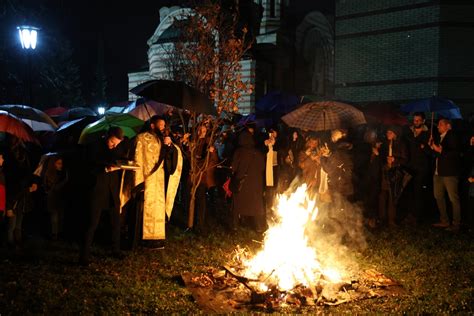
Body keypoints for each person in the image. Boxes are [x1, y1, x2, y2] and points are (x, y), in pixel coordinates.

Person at [134, 115, 183, 246]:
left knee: (158, 208)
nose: (162, 128)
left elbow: (169, 159)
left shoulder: (162, 140)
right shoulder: (141, 138)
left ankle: (157, 237)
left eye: (163, 125)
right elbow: (137, 159)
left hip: (160, 180)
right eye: (160, 125)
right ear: (152, 125)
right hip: (146, 178)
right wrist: (138, 181)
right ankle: (142, 238)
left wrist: (169, 147)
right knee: (145, 208)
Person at [79, 127, 125, 265]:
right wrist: (105, 168)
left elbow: (120, 159)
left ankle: (115, 249)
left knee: (116, 221)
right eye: (112, 142)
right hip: (97, 190)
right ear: (106, 136)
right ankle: (84, 255)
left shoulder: (117, 148)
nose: (114, 145)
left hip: (112, 190)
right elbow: (88, 168)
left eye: (116, 143)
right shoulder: (93, 147)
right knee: (92, 223)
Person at [429, 119, 461, 232]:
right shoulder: (438, 137)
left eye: (441, 124)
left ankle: (456, 223)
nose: (438, 126)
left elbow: (455, 153)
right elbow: (436, 154)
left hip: (449, 173)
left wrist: (440, 150)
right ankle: (444, 220)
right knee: (438, 196)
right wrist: (432, 146)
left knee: (453, 198)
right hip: (438, 172)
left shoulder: (453, 136)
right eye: (438, 124)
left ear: (448, 126)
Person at [231, 129, 266, 232]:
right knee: (255, 206)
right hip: (256, 185)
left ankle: (235, 226)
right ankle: (259, 227)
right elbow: (262, 167)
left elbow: (233, 167)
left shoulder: (239, 152)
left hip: (242, 183)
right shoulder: (258, 153)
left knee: (238, 205)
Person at [404, 113, 432, 225]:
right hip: (410, 166)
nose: (416, 122)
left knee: (418, 191)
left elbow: (431, 152)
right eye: (415, 120)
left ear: (423, 121)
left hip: (421, 167)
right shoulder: (409, 132)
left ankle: (418, 216)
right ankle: (410, 214)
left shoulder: (428, 134)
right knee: (410, 191)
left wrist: (424, 147)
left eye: (418, 120)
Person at [378, 126, 408, 227]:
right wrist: (378, 153)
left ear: (395, 134)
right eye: (387, 132)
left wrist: (395, 160)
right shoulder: (385, 144)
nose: (387, 134)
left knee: (392, 195)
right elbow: (382, 157)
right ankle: (382, 218)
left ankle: (391, 219)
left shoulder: (401, 144)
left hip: (395, 173)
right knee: (383, 195)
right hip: (386, 171)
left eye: (390, 132)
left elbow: (405, 159)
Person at [43, 156, 68, 240]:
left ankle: (60, 233)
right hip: (52, 198)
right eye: (58, 163)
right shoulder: (49, 173)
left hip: (61, 198)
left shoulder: (62, 173)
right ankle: (54, 234)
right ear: (53, 164)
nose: (61, 165)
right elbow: (53, 187)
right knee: (54, 217)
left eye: (61, 163)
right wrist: (65, 181)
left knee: (61, 216)